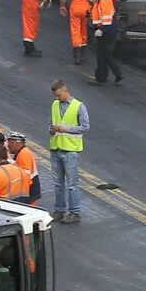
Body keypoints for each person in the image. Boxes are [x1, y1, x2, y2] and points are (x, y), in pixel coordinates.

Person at [46, 80, 88, 223]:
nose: (56, 98)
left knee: (72, 184)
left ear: (65, 91)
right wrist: (51, 130)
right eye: (55, 96)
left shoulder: (78, 106)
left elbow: (85, 126)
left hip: (70, 151)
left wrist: (66, 129)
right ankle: (59, 211)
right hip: (56, 148)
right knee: (58, 184)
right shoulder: (54, 105)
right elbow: (50, 123)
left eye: (58, 95)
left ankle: (75, 212)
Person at [87, 0, 123, 85]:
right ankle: (118, 74)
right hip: (105, 30)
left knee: (101, 55)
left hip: (106, 31)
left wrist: (101, 30)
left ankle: (101, 78)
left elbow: (107, 19)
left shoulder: (104, 0)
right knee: (105, 54)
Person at [5, 132, 40, 205]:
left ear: (14, 143)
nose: (8, 146)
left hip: (29, 191)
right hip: (29, 190)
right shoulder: (22, 152)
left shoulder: (24, 154)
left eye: (9, 143)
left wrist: (12, 163)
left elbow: (25, 174)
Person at [66, 0, 93, 64]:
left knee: (75, 30)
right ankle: (83, 54)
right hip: (85, 10)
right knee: (83, 29)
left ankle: (77, 55)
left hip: (74, 10)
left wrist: (63, 6)